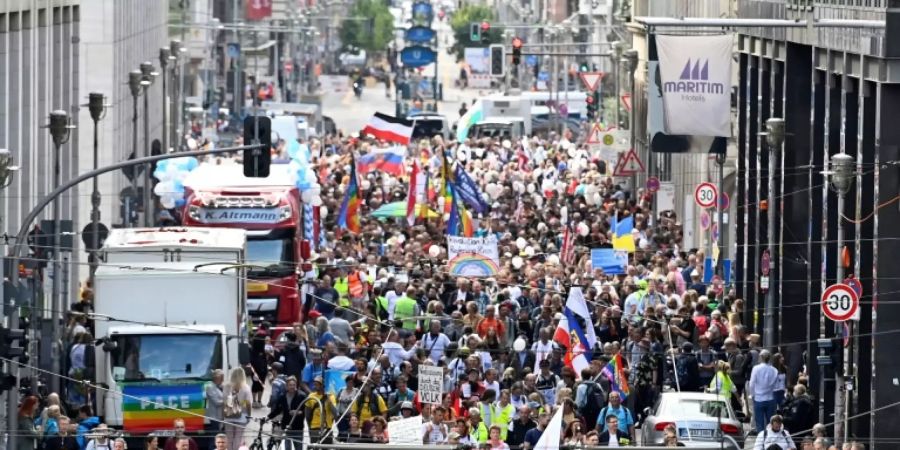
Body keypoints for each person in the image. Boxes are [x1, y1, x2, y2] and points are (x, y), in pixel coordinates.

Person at [267, 376, 306, 449]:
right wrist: (268, 417)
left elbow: (305, 411)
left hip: (297, 427)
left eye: (294, 385)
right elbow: (277, 410)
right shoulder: (283, 396)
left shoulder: (302, 396)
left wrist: (298, 413)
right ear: (286, 386)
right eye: (290, 385)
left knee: (298, 447)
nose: (292, 387)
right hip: (286, 427)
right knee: (287, 447)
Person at [749, 350, 779, 433]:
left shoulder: (756, 368)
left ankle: (761, 440)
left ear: (761, 357)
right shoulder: (774, 370)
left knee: (759, 423)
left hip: (758, 399)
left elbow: (752, 383)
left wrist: (752, 394)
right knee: (771, 422)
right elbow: (775, 386)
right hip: (770, 398)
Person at [222, 367, 252, 450]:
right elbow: (248, 403)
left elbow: (224, 401)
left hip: (228, 415)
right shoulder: (246, 388)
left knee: (229, 437)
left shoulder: (226, 386)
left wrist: (223, 414)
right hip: (242, 416)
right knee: (238, 438)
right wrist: (249, 415)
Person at [204, 369, 226, 446]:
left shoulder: (218, 386)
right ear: (217, 378)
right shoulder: (210, 387)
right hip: (213, 417)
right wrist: (226, 400)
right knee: (214, 437)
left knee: (218, 437)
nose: (222, 381)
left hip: (219, 416)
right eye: (221, 378)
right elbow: (216, 402)